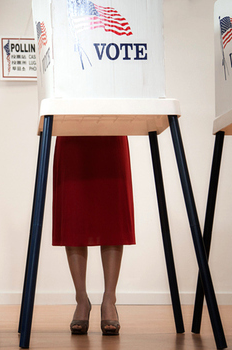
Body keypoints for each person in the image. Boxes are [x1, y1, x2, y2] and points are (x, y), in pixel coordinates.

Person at [52, 135, 135, 336]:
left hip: (111, 126)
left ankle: (109, 299)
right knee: (74, 214)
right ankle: (81, 299)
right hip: (71, 126)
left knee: (111, 214)